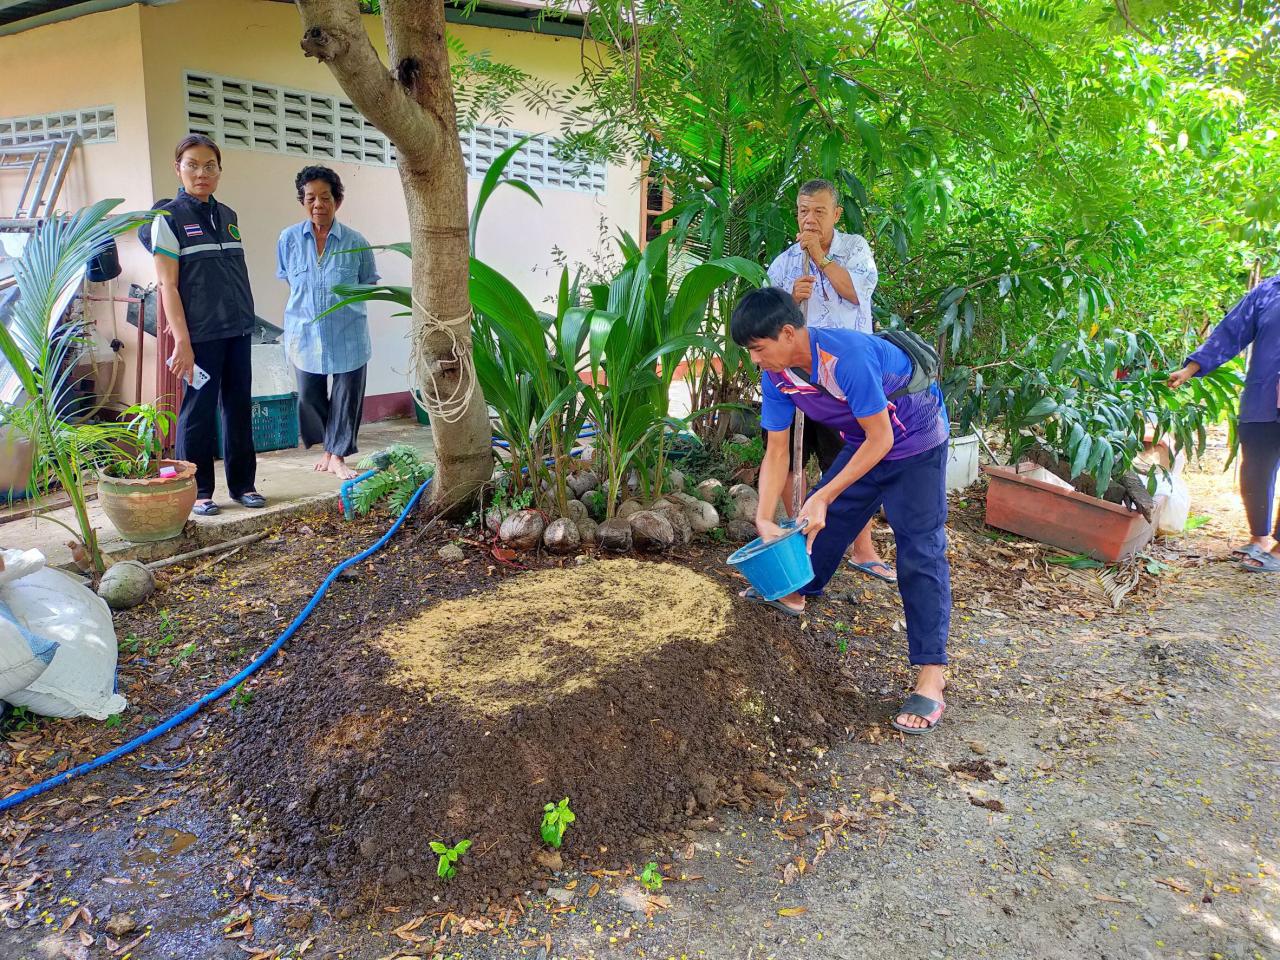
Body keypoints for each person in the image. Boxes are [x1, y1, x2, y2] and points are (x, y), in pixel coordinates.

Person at [732, 287, 952, 734]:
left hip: (913, 443)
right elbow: (776, 451)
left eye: (758, 349)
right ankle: (796, 589)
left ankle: (931, 678)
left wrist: (824, 493)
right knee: (819, 530)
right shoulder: (777, 374)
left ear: (788, 333)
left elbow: (884, 439)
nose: (755, 360)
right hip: (865, 445)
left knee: (919, 552)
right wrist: (763, 517)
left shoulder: (844, 357)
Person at [766, 178, 893, 582]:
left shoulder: (855, 249)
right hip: (797, 377)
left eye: (820, 211)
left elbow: (857, 293)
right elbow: (769, 325)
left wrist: (820, 258)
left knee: (849, 456)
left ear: (836, 214)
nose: (811, 219)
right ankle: (798, 535)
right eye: (804, 211)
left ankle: (862, 548)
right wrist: (791, 299)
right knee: (788, 459)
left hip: (844, 380)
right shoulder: (785, 262)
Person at [142, 134, 264, 516]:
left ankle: (243, 485)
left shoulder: (228, 216)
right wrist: (182, 341)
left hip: (237, 330)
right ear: (178, 169)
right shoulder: (168, 219)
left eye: (209, 165)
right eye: (192, 164)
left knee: (238, 407)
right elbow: (168, 285)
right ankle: (197, 491)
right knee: (197, 409)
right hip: (199, 337)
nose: (201, 172)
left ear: (219, 170)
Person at [1168, 276, 1280, 572]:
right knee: (1255, 468)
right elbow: (1232, 331)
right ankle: (1260, 538)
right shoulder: (1269, 291)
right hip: (1264, 396)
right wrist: (1190, 369)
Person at [277, 166, 379, 480]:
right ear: (302, 201)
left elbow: (367, 283)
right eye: (311, 198)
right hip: (305, 332)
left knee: (346, 398)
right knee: (309, 395)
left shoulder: (356, 242)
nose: (318, 204)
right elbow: (289, 280)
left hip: (348, 333)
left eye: (325, 197)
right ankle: (328, 446)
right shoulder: (289, 239)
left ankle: (337, 456)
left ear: (338, 200)